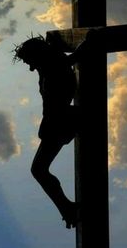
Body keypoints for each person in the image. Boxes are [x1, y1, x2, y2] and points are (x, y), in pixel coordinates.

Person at [13, 35, 81, 228]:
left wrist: (89, 41)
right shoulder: (46, 67)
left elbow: (75, 56)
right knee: (39, 169)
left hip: (61, 121)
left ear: (38, 55)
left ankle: (67, 208)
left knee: (38, 169)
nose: (30, 68)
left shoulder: (54, 65)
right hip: (56, 122)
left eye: (30, 62)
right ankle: (67, 208)